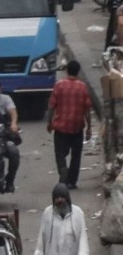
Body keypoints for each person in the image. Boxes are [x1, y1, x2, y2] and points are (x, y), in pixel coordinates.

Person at [46, 61, 93, 190]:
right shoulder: (82, 87)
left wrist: (49, 122)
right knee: (76, 155)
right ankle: (72, 181)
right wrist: (89, 127)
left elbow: (52, 106)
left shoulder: (59, 85)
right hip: (77, 126)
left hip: (61, 126)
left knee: (60, 153)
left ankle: (63, 170)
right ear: (78, 71)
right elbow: (87, 109)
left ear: (67, 70)